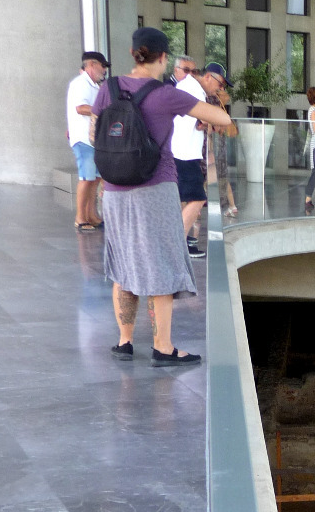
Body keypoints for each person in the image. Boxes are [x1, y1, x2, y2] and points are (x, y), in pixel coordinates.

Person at [91, 27, 230, 366]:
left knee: (122, 264)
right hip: (155, 188)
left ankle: (124, 342)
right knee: (161, 266)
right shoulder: (166, 94)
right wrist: (213, 101)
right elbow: (222, 118)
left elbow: (95, 132)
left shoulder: (108, 89)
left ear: (133, 52)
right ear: (164, 58)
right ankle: (163, 347)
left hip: (114, 190)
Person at [66, 50, 108, 231]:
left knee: (95, 179)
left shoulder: (94, 86)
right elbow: (80, 108)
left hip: (93, 139)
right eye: (102, 66)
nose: (104, 70)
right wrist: (105, 110)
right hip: (83, 139)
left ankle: (91, 215)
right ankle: (80, 217)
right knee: (86, 178)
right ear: (92, 65)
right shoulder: (80, 83)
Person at [170, 59, 207, 257]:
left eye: (195, 70)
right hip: (184, 153)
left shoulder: (182, 87)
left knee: (184, 198)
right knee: (197, 197)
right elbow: (203, 119)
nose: (191, 73)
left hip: (180, 151)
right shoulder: (190, 87)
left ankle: (180, 240)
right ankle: (178, 244)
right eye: (187, 70)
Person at [206, 80, 238, 218]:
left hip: (213, 144)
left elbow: (211, 127)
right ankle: (232, 205)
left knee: (209, 176)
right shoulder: (221, 104)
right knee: (223, 177)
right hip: (221, 143)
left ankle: (201, 207)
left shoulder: (212, 101)